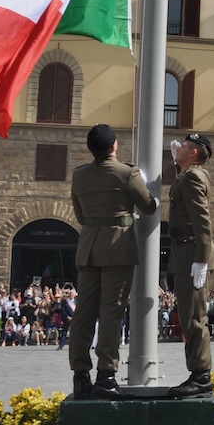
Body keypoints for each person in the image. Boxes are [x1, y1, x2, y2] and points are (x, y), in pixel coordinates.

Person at [68, 124, 157, 400]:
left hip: (88, 247)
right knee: (111, 312)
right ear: (114, 146)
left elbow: (81, 216)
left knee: (83, 313)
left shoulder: (79, 175)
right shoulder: (127, 173)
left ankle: (80, 375)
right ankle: (106, 375)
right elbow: (149, 206)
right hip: (117, 248)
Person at [166, 134, 214, 399]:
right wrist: (178, 166)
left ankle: (201, 377)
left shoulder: (192, 178)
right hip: (186, 252)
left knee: (194, 319)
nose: (178, 148)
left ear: (194, 153)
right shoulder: (190, 175)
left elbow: (203, 223)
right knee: (189, 317)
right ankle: (197, 374)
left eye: (184, 147)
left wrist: (200, 260)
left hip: (192, 253)